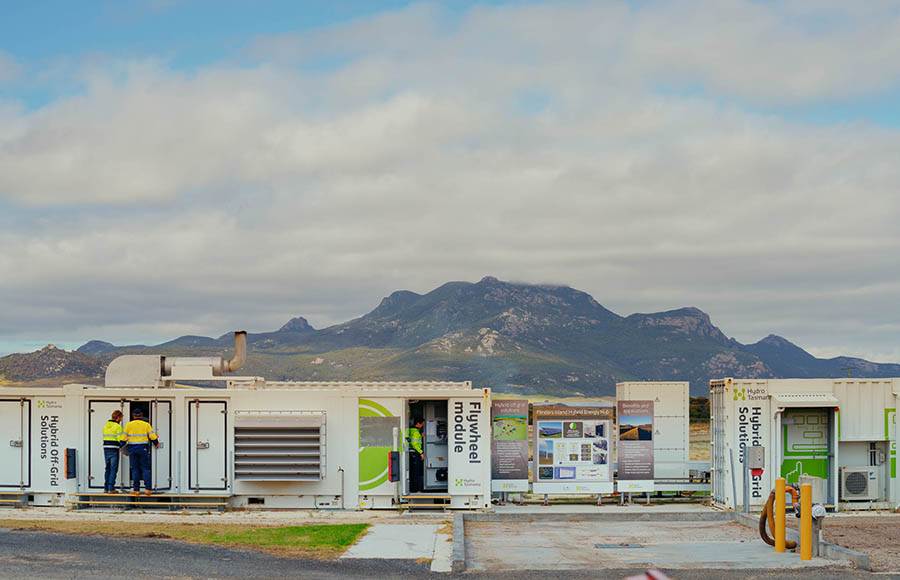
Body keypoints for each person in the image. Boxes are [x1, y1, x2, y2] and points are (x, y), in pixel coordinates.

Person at [122, 408, 159, 495]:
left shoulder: (128, 425)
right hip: (143, 449)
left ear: (133, 415)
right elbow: (152, 436)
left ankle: (136, 490)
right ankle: (148, 489)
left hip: (132, 450)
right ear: (141, 415)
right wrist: (156, 443)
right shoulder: (146, 424)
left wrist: (121, 448)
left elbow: (123, 439)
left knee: (135, 469)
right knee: (145, 469)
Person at [102, 410, 125, 493]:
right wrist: (125, 443)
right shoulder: (117, 426)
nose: (121, 419)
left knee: (107, 468)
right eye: (121, 417)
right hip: (114, 449)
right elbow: (120, 439)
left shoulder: (105, 426)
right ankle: (111, 488)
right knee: (113, 469)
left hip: (106, 449)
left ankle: (106, 488)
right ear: (118, 417)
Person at [406, 417, 425, 493]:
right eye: (422, 424)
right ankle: (416, 490)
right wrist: (421, 452)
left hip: (409, 453)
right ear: (417, 423)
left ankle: (411, 488)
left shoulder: (408, 430)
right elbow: (415, 444)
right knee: (416, 472)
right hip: (415, 453)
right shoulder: (416, 432)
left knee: (411, 472)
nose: (422, 426)